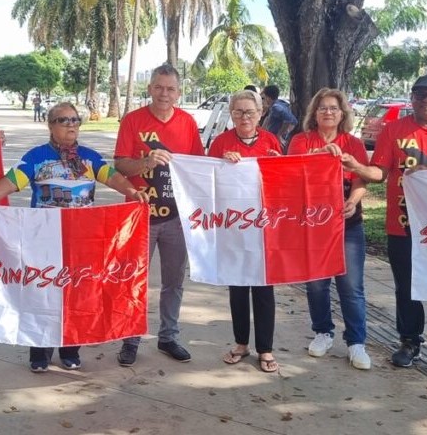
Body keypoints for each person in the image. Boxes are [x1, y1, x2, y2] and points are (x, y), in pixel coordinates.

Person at [0, 101, 149, 372]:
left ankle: (70, 348)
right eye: (63, 120)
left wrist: (132, 193)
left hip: (80, 242)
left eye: (75, 120)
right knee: (42, 293)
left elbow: (113, 177)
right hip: (43, 239)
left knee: (76, 295)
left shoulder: (90, 158)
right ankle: (40, 352)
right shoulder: (37, 157)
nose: (71, 125)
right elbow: (12, 180)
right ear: (50, 125)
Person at [342, 74, 427, 378]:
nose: (426, 100)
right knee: (407, 287)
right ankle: (409, 342)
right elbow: (380, 172)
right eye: (419, 94)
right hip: (402, 224)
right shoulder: (394, 129)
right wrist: (357, 167)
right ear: (412, 99)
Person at [113, 63, 205, 366]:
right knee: (134, 279)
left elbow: (199, 167)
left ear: (179, 92)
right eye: (158, 87)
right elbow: (120, 166)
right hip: (139, 217)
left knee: (174, 282)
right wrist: (145, 163)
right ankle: (130, 338)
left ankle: (168, 336)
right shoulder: (132, 121)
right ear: (150, 88)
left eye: (170, 88)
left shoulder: (188, 123)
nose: (164, 93)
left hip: (177, 218)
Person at [287, 88, 372, 370]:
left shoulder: (354, 143)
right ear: (314, 112)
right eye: (322, 107)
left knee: (351, 286)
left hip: (348, 224)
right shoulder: (301, 141)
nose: (328, 112)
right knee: (316, 284)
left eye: (333, 108)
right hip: (314, 225)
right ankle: (323, 331)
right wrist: (322, 154)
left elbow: (363, 177)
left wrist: (352, 201)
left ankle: (356, 341)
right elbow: (293, 172)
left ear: (342, 113)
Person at [208, 90, 283, 372]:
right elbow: (208, 182)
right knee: (237, 287)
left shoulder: (271, 141)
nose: (244, 117)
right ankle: (241, 343)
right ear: (231, 114)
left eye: (250, 112)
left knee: (264, 288)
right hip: (234, 228)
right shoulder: (221, 143)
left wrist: (278, 163)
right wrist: (222, 166)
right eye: (238, 112)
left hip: (263, 229)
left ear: (260, 113)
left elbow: (283, 180)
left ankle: (265, 348)